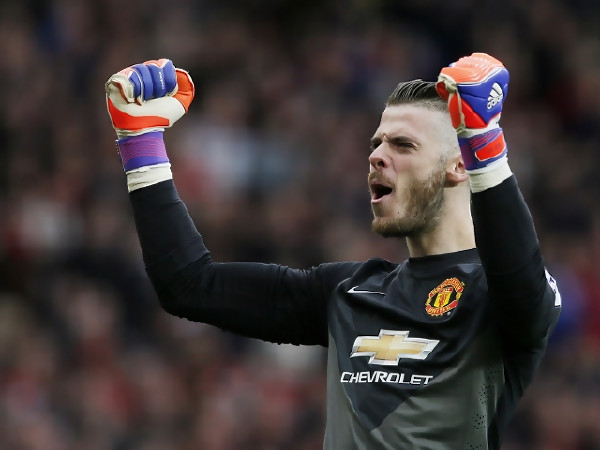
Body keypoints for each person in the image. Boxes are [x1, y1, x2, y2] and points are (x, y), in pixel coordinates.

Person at [104, 53, 561, 449]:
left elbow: (520, 284)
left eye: (403, 145)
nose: (377, 156)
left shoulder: (497, 294)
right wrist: (140, 143)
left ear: (460, 166)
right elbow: (188, 285)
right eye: (376, 143)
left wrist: (485, 145)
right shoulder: (348, 292)